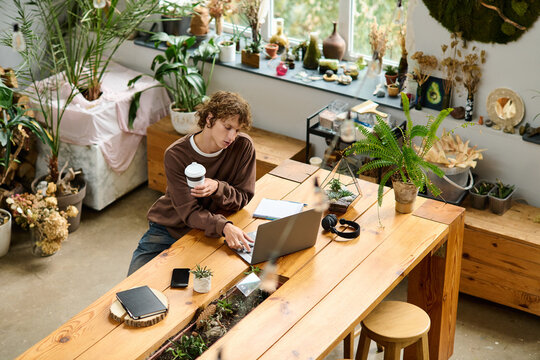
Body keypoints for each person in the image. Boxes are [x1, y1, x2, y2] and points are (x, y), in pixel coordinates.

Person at [127, 91, 256, 276]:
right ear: (210, 119)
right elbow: (189, 212)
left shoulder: (243, 147)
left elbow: (243, 196)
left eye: (237, 130)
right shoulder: (176, 155)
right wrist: (224, 227)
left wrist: (217, 187)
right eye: (227, 127)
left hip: (209, 231)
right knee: (132, 286)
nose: (232, 136)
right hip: (170, 228)